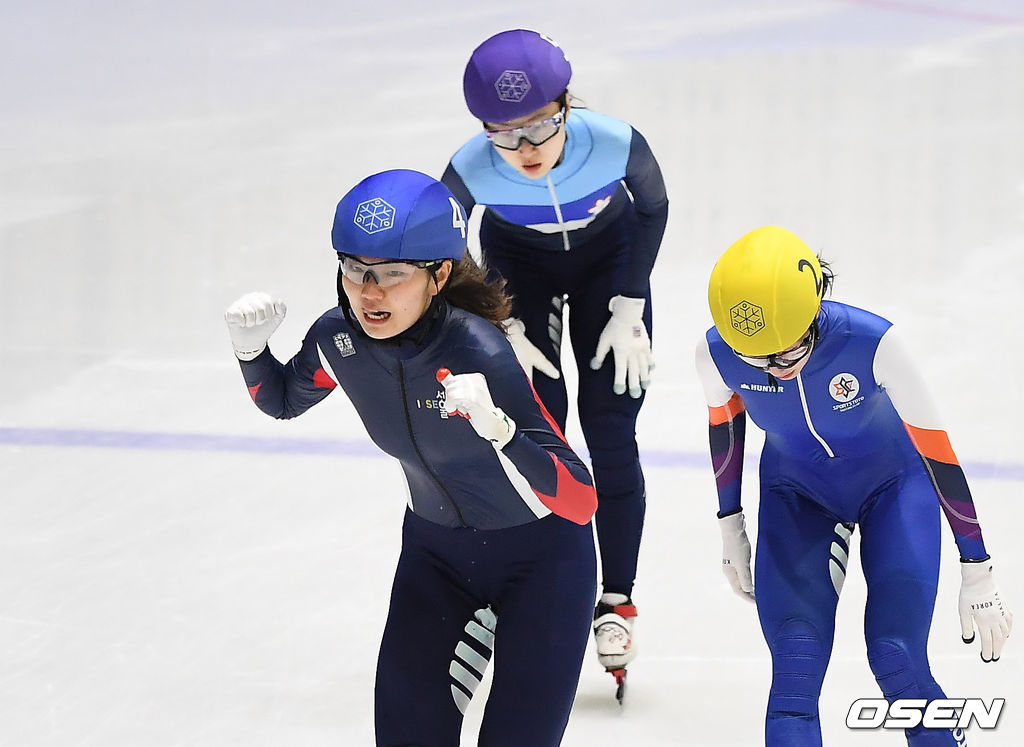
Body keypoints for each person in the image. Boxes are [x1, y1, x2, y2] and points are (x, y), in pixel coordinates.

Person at [224, 169, 599, 746]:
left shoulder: (479, 351)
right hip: (437, 558)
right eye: (355, 270)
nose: (369, 292)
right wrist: (252, 353)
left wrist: (503, 435)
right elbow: (281, 400)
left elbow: (579, 500)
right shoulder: (338, 340)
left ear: (437, 275)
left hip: (542, 564)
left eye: (393, 275)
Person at [695, 225, 1014, 746]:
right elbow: (723, 426)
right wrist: (730, 525)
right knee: (793, 678)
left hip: (894, 489)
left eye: (787, 354)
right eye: (758, 360)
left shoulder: (874, 343)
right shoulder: (715, 353)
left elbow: (936, 452)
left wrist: (976, 566)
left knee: (897, 658)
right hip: (796, 498)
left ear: (815, 307)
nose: (775, 373)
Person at [441, 28, 669, 687]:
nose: (525, 150)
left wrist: (630, 300)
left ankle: (616, 597)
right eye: (503, 134)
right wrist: (496, 316)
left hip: (610, 261)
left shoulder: (616, 141)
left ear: (566, 106)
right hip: (517, 269)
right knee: (539, 432)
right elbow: (447, 248)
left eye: (539, 127)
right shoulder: (466, 170)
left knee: (610, 428)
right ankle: (528, 586)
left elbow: (652, 208)